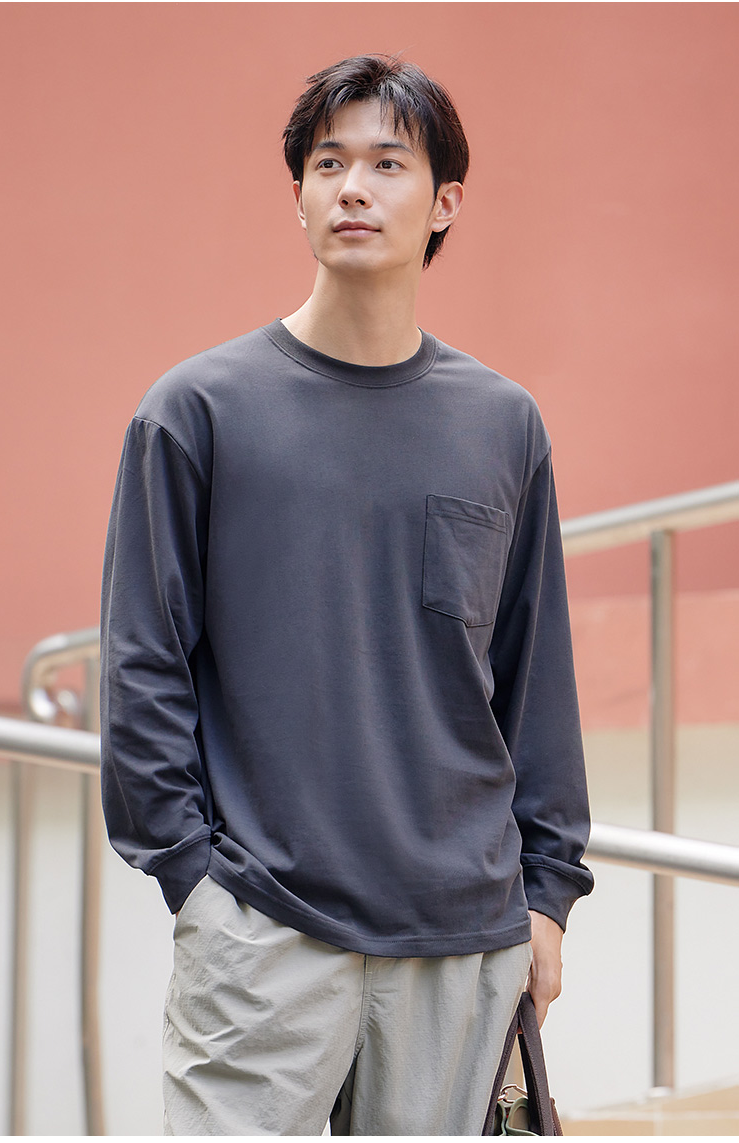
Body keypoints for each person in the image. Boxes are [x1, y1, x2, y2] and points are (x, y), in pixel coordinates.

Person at [100, 54, 593, 1136]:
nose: (353, 188)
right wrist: (195, 884)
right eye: (328, 165)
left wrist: (547, 895)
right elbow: (141, 667)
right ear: (298, 196)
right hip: (261, 933)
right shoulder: (196, 412)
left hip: (459, 938)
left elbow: (533, 674)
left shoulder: (501, 423)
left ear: (445, 201)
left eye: (386, 164)